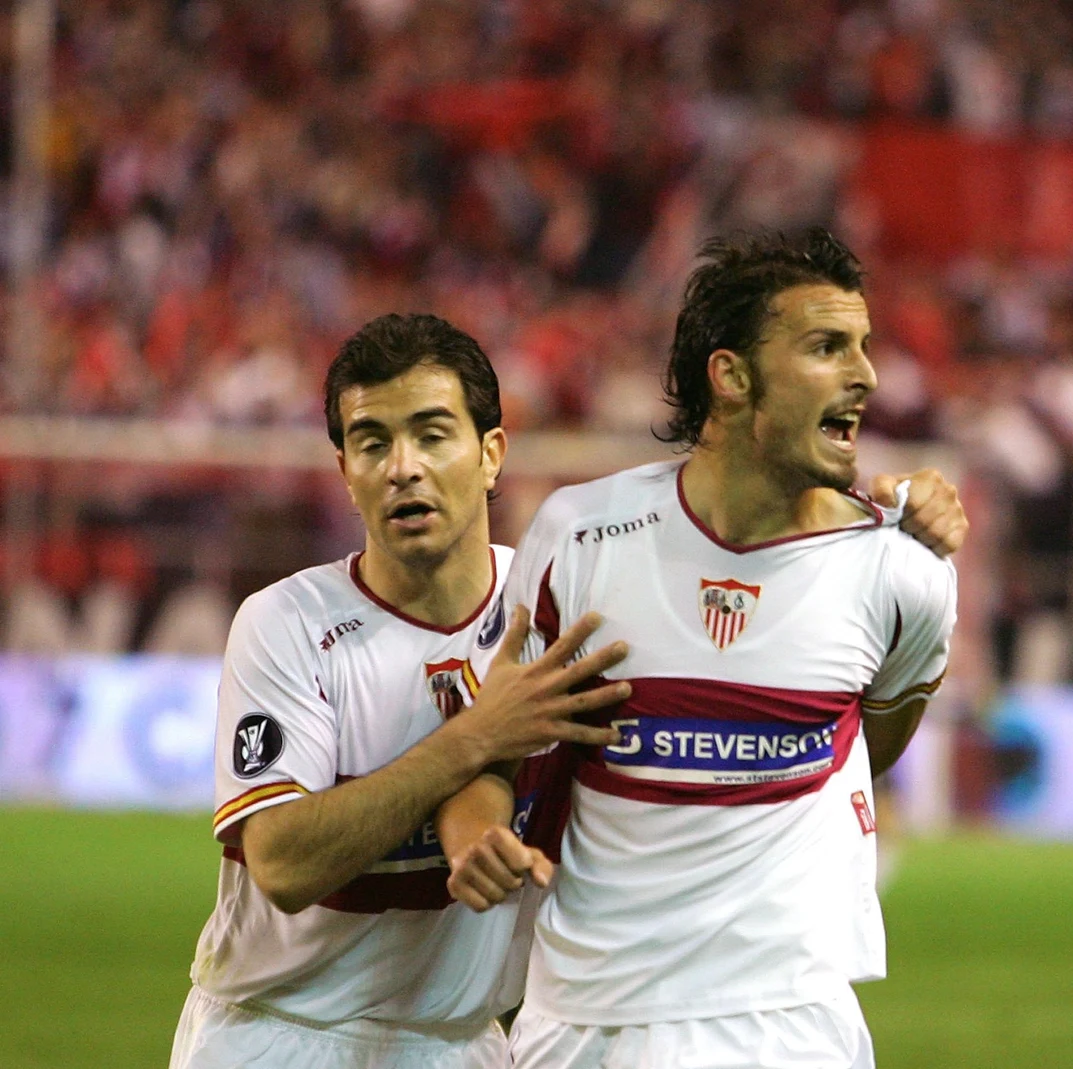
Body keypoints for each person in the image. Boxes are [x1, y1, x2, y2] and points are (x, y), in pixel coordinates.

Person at [171, 312, 968, 1069]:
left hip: (465, 1042)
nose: (402, 465)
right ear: (345, 471)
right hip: (279, 1034)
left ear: (491, 454)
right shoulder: (287, 624)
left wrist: (881, 511)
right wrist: (475, 737)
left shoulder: (565, 594)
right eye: (371, 442)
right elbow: (280, 863)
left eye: (431, 434)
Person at [437, 227, 958, 1069]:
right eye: (827, 347)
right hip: (585, 1022)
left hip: (789, 1023)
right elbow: (488, 747)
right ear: (731, 375)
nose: (865, 374)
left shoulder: (903, 574)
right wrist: (476, 836)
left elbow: (869, 751)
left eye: (864, 346)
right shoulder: (582, 537)